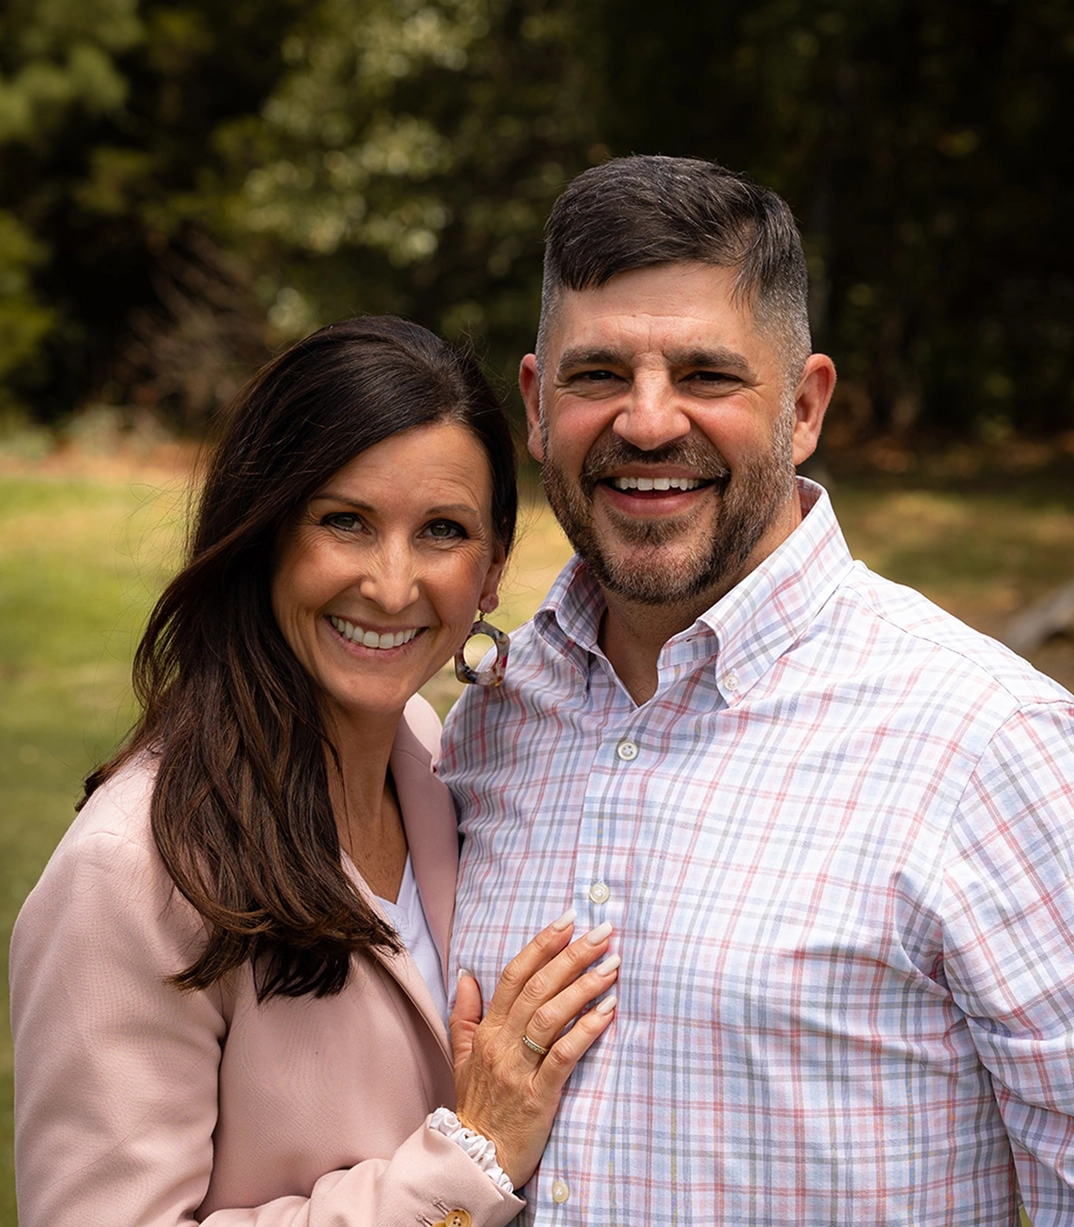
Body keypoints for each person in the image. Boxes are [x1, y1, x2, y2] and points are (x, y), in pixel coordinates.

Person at [441, 156, 1074, 1225]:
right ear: (540, 408)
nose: (647, 424)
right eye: (599, 376)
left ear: (805, 407)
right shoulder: (492, 719)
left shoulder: (986, 746)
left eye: (707, 376)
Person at [10, 316, 619, 1227]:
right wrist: (467, 1160)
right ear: (262, 536)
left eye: (442, 531)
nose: (389, 582)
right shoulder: (131, 872)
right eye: (345, 520)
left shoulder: (427, 749)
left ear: (492, 570)